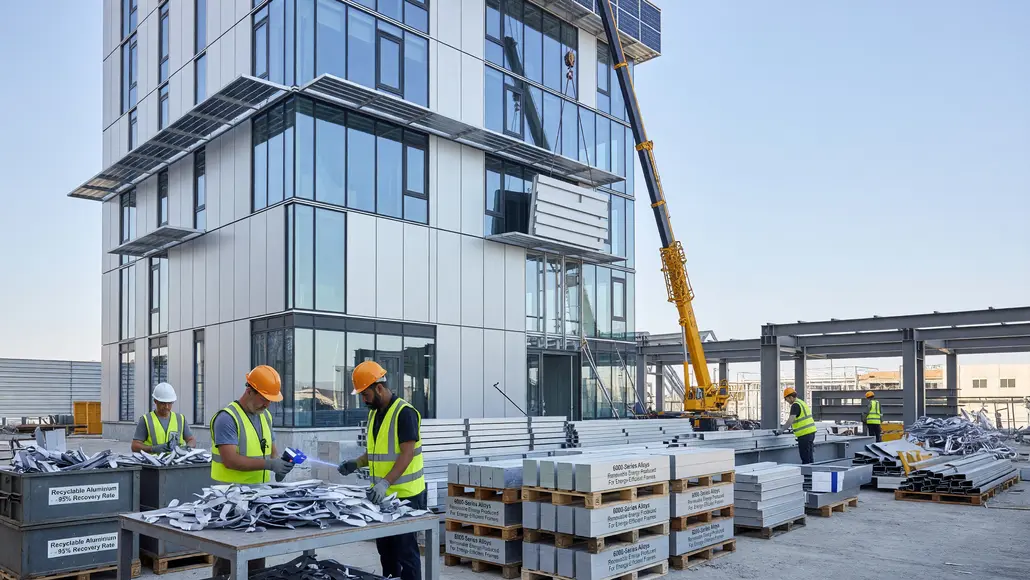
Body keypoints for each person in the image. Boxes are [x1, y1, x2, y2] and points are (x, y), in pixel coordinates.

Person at [337, 361, 425, 580]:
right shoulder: (374, 414)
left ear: (378, 387)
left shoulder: (405, 413)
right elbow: (374, 453)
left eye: (365, 394)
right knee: (386, 553)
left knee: (406, 554)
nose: (363, 399)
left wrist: (385, 482)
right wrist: (356, 463)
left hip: (406, 497)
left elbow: (407, 454)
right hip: (382, 498)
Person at [210, 365, 295, 577]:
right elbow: (230, 460)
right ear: (249, 390)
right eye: (264, 398)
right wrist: (269, 465)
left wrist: (281, 466)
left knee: (257, 555)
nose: (267, 404)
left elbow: (272, 454)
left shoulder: (264, 416)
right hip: (229, 500)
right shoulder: (227, 418)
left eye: (270, 400)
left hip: (259, 498)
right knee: (228, 556)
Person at [131, 382, 196, 453]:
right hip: (154, 462)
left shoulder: (180, 419)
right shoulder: (146, 420)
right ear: (155, 401)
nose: (166, 406)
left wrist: (187, 448)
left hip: (176, 462)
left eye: (169, 403)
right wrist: (152, 449)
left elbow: (191, 440)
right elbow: (135, 446)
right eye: (163, 403)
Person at [780, 387, 816, 464]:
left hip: (804, 434)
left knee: (805, 457)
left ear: (790, 397)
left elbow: (791, 420)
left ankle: (807, 474)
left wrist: (781, 430)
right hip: (810, 433)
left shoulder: (795, 405)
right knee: (809, 457)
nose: (787, 401)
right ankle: (811, 473)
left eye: (786, 399)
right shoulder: (802, 403)